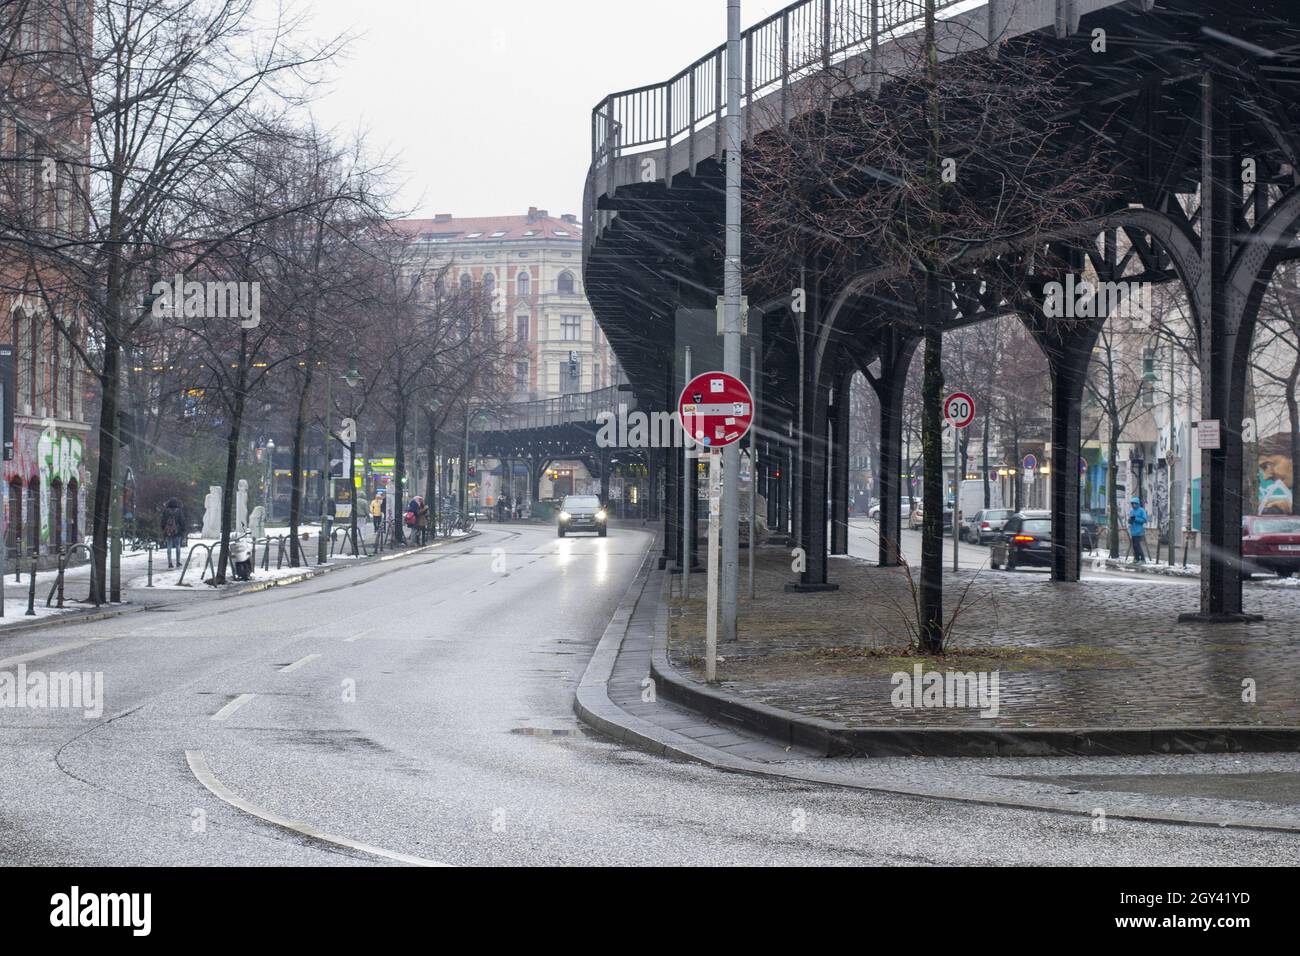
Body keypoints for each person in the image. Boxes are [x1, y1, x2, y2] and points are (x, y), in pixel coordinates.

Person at [160, 497, 187, 569]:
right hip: (177, 531)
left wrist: (164, 529)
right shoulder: (179, 511)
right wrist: (183, 529)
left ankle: (170, 563)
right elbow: (182, 521)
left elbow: (163, 521)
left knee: (169, 546)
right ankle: (178, 562)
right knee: (178, 546)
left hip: (168, 531)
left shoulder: (166, 511)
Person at [1128, 495, 1148, 563]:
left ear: (1137, 503)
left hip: (1139, 531)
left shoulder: (1141, 510)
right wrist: (1130, 520)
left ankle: (1142, 559)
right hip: (1133, 531)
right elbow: (1130, 520)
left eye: (1134, 503)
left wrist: (1136, 519)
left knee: (1137, 545)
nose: (1133, 505)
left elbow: (1144, 520)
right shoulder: (1132, 511)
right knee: (1134, 546)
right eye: (1132, 503)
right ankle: (1136, 558)